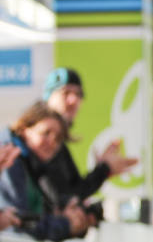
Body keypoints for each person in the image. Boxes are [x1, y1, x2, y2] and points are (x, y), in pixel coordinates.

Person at [40, 68, 138, 208]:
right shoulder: (42, 142)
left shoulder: (59, 144)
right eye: (65, 92)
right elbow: (63, 200)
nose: (73, 100)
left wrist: (104, 169)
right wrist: (104, 169)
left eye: (78, 95)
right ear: (48, 97)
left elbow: (74, 192)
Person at [0, 102, 90, 241]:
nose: (52, 142)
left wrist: (64, 209)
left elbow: (33, 215)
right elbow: (18, 222)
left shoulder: (34, 162)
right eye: (46, 133)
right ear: (24, 129)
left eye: (58, 138)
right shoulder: (10, 158)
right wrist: (66, 224)